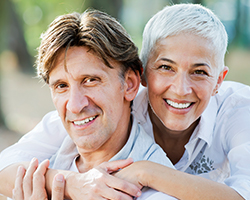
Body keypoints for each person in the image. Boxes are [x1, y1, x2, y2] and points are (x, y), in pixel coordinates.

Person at [1, 3, 250, 200]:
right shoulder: (107, 107)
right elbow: (5, 166)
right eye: (165, 67)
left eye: (199, 72)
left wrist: (146, 171)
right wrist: (73, 184)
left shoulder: (238, 111)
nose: (181, 89)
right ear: (142, 75)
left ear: (219, 80)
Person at [0, 9, 177, 200]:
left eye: (91, 80)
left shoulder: (157, 192)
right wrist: (70, 183)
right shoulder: (47, 157)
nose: (75, 106)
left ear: (130, 84)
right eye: (61, 86)